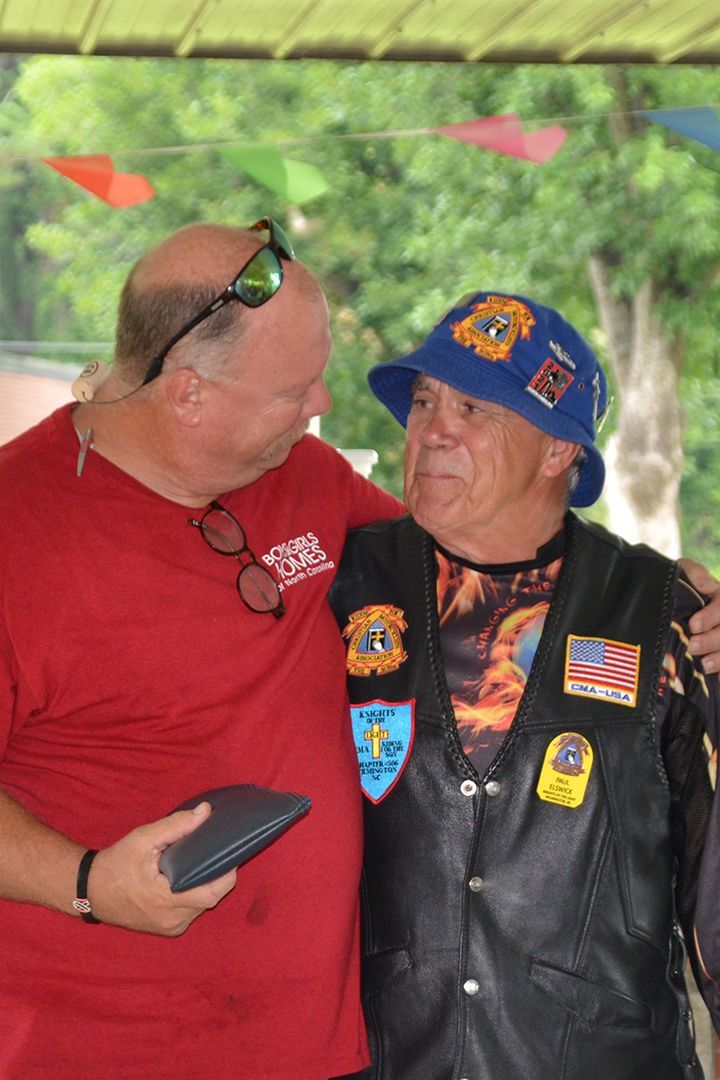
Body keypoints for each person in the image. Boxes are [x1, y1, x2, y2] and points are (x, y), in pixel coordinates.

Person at [0, 218, 402, 1079]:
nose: (323, 403)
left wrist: (666, 593)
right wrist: (88, 881)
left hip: (315, 1049)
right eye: (297, 387)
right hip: (96, 1051)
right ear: (187, 393)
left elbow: (480, 575)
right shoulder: (15, 531)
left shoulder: (308, 473)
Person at [329, 291, 720, 1079]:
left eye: (474, 406)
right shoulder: (339, 585)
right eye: (425, 401)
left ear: (556, 452)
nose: (433, 428)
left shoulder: (664, 618)